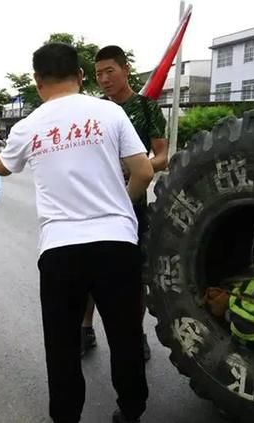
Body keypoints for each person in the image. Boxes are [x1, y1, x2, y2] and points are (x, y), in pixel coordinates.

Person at [0, 42, 154, 423]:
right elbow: (143, 171)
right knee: (125, 335)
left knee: (61, 344)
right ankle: (131, 411)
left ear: (38, 81)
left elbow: (4, 166)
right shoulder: (110, 112)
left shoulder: (28, 126)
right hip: (117, 243)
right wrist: (121, 208)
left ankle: (66, 416)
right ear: (79, 76)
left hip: (61, 251)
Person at [82, 45, 169, 360]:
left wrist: (138, 166)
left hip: (132, 204)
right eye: (98, 74)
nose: (104, 79)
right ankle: (86, 329)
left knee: (134, 276)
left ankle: (136, 334)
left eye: (110, 71)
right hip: (95, 203)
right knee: (90, 271)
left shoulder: (146, 108)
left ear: (126, 69)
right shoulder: (94, 110)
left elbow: (162, 155)